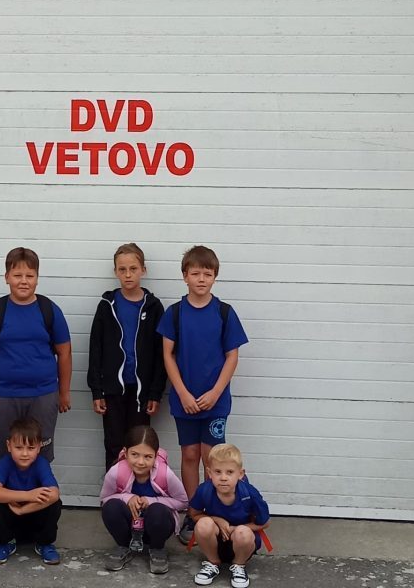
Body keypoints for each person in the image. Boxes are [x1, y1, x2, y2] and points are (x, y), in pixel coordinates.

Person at [157, 245, 247, 542]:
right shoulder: (175, 313)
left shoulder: (224, 312)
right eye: (195, 273)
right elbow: (168, 355)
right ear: (185, 276)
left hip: (215, 402)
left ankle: (215, 513)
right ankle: (194, 514)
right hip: (185, 400)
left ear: (215, 277)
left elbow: (232, 356)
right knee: (190, 454)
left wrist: (215, 392)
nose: (201, 279)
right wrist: (182, 393)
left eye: (207, 274)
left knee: (213, 458)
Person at [0, 247, 72, 462]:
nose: (24, 281)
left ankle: (39, 486)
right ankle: (4, 486)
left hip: (44, 395)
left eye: (30, 275)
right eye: (17, 275)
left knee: (40, 457)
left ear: (37, 278)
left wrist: (64, 392)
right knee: (5, 456)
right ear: (7, 277)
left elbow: (64, 352)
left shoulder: (50, 310)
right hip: (4, 396)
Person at [88, 242, 166, 469]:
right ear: (115, 272)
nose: (128, 274)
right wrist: (97, 390)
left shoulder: (154, 307)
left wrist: (155, 392)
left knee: (139, 445)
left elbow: (161, 354)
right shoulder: (107, 306)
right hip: (112, 390)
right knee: (114, 445)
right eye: (122, 269)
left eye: (133, 268)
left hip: (142, 393)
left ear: (143, 270)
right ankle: (114, 489)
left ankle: (138, 488)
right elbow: (95, 348)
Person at [99, 425, 188, 575]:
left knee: (158, 510)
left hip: (156, 527)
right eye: (135, 454)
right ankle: (123, 545)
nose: (140, 462)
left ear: (156, 456)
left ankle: (157, 549)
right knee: (111, 507)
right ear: (125, 452)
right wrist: (127, 498)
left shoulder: (165, 474)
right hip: (130, 526)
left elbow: (183, 501)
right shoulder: (116, 472)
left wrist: (151, 500)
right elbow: (104, 499)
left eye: (148, 457)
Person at [189, 443, 270, 588]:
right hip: (215, 542)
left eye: (230, 472)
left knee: (243, 532)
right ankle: (213, 562)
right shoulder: (204, 490)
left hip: (241, 543)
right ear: (209, 473)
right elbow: (194, 514)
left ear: (240, 474)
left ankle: (239, 565)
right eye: (218, 472)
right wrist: (216, 519)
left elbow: (265, 522)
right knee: (203, 524)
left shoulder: (249, 493)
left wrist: (234, 528)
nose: (223, 477)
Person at [0, 417, 63, 566]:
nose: (25, 453)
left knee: (55, 504)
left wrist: (22, 510)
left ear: (39, 447)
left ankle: (44, 543)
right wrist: (28, 495)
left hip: (33, 517)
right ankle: (5, 542)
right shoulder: (5, 462)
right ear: (9, 446)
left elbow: (54, 494)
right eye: (19, 448)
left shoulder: (41, 463)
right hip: (11, 522)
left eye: (31, 448)